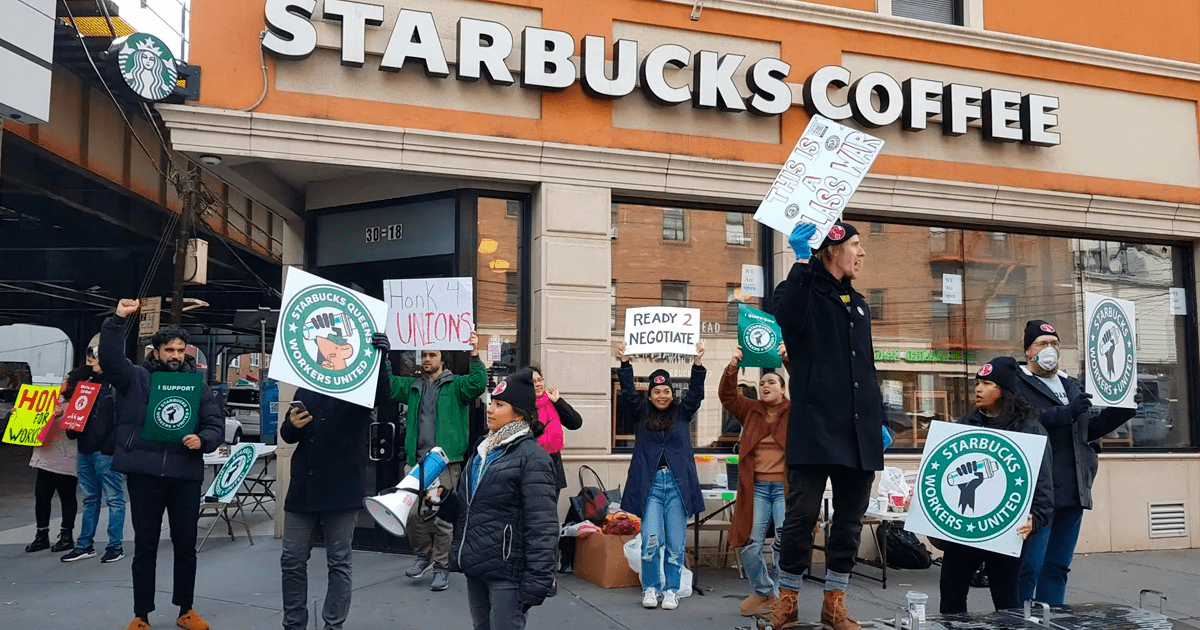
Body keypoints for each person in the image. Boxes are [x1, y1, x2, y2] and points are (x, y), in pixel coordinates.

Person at [761, 221, 884, 630]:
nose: (862, 253)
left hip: (858, 429)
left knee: (849, 520)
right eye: (855, 245)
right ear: (833, 249)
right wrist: (800, 258)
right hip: (815, 426)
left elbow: (866, 369)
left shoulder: (858, 302)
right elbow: (786, 313)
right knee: (801, 517)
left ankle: (835, 601)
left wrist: (877, 418)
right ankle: (788, 597)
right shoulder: (801, 291)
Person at [101, 299, 224, 630]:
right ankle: (141, 615)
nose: (175, 356)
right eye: (169, 350)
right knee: (145, 548)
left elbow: (214, 424)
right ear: (155, 352)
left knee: (186, 547)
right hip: (145, 476)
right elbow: (110, 361)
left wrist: (204, 439)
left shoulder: (198, 386)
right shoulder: (136, 379)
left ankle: (186, 609)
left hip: (185, 475)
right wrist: (117, 320)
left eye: (180, 350)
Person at [1014, 320, 1137, 606]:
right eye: (1042, 344)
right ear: (1027, 350)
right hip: (1039, 491)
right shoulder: (1017, 383)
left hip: (1073, 488)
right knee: (1028, 567)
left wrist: (1123, 410)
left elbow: (1085, 430)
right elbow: (1024, 422)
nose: (1050, 350)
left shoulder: (1070, 384)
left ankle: (1052, 617)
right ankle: (1019, 621)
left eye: (1054, 344)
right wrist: (1067, 412)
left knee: (1056, 567)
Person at [280, 333, 389, 630]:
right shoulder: (308, 384)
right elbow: (288, 434)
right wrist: (291, 425)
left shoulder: (357, 386)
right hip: (303, 488)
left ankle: (333, 625)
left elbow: (381, 398)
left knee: (339, 561)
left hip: (341, 488)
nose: (327, 356)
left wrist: (380, 360)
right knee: (291, 560)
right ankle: (293, 624)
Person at [434, 368, 558, 630]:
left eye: (499, 404)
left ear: (519, 413)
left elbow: (543, 526)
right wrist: (445, 502)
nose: (490, 409)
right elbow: (472, 509)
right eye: (491, 402)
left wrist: (538, 581)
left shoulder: (533, 458)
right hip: (476, 566)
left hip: (508, 573)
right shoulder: (482, 450)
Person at [938, 356, 1054, 613]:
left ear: (1004, 391)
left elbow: (1043, 486)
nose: (978, 389)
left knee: (1006, 601)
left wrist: (1036, 518)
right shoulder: (964, 426)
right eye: (977, 382)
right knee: (951, 593)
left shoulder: (1029, 430)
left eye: (987, 383)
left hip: (1006, 530)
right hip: (964, 529)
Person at [388, 332, 487, 592]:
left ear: (443, 360)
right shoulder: (413, 387)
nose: (427, 359)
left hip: (444, 463)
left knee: (443, 520)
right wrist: (383, 355)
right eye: (424, 355)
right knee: (411, 516)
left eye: (432, 354)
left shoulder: (456, 385)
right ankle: (425, 556)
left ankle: (441, 567)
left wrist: (475, 354)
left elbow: (478, 384)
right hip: (418, 463)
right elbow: (386, 383)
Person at [616, 341, 707, 611]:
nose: (662, 396)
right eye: (657, 391)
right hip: (651, 486)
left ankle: (671, 591)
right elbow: (630, 393)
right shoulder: (641, 414)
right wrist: (625, 364)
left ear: (671, 393)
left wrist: (698, 365)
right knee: (651, 541)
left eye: (666, 391)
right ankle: (651, 588)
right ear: (651, 394)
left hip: (677, 487)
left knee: (676, 543)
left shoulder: (682, 412)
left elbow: (696, 393)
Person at [719, 347, 791, 617]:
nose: (765, 385)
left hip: (784, 489)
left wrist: (787, 359)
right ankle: (763, 591)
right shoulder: (751, 411)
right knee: (749, 543)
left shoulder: (795, 411)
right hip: (757, 488)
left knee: (785, 544)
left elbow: (810, 392)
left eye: (771, 381)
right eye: (761, 383)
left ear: (782, 389)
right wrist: (733, 364)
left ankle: (786, 596)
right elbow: (727, 396)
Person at [61, 335, 127, 564]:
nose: (90, 363)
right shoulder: (87, 383)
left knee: (113, 499)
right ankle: (85, 544)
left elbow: (122, 418)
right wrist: (72, 429)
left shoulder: (117, 384)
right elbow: (78, 412)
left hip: (103, 451)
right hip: (86, 448)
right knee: (92, 498)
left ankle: (115, 545)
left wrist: (110, 446)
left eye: (93, 359)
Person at [25, 378, 79, 555]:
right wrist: (21, 415)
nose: (61, 384)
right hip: (45, 457)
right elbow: (31, 420)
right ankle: (42, 535)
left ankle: (66, 535)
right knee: (42, 497)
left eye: (65, 381)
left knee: (67, 498)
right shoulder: (47, 401)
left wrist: (59, 416)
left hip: (66, 458)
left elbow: (75, 430)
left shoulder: (78, 403)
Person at [529, 365, 584, 495]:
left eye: (540, 380)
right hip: (531, 470)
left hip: (553, 469)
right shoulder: (523, 407)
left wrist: (559, 401)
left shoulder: (552, 403)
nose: (538, 384)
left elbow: (576, 422)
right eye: (533, 382)